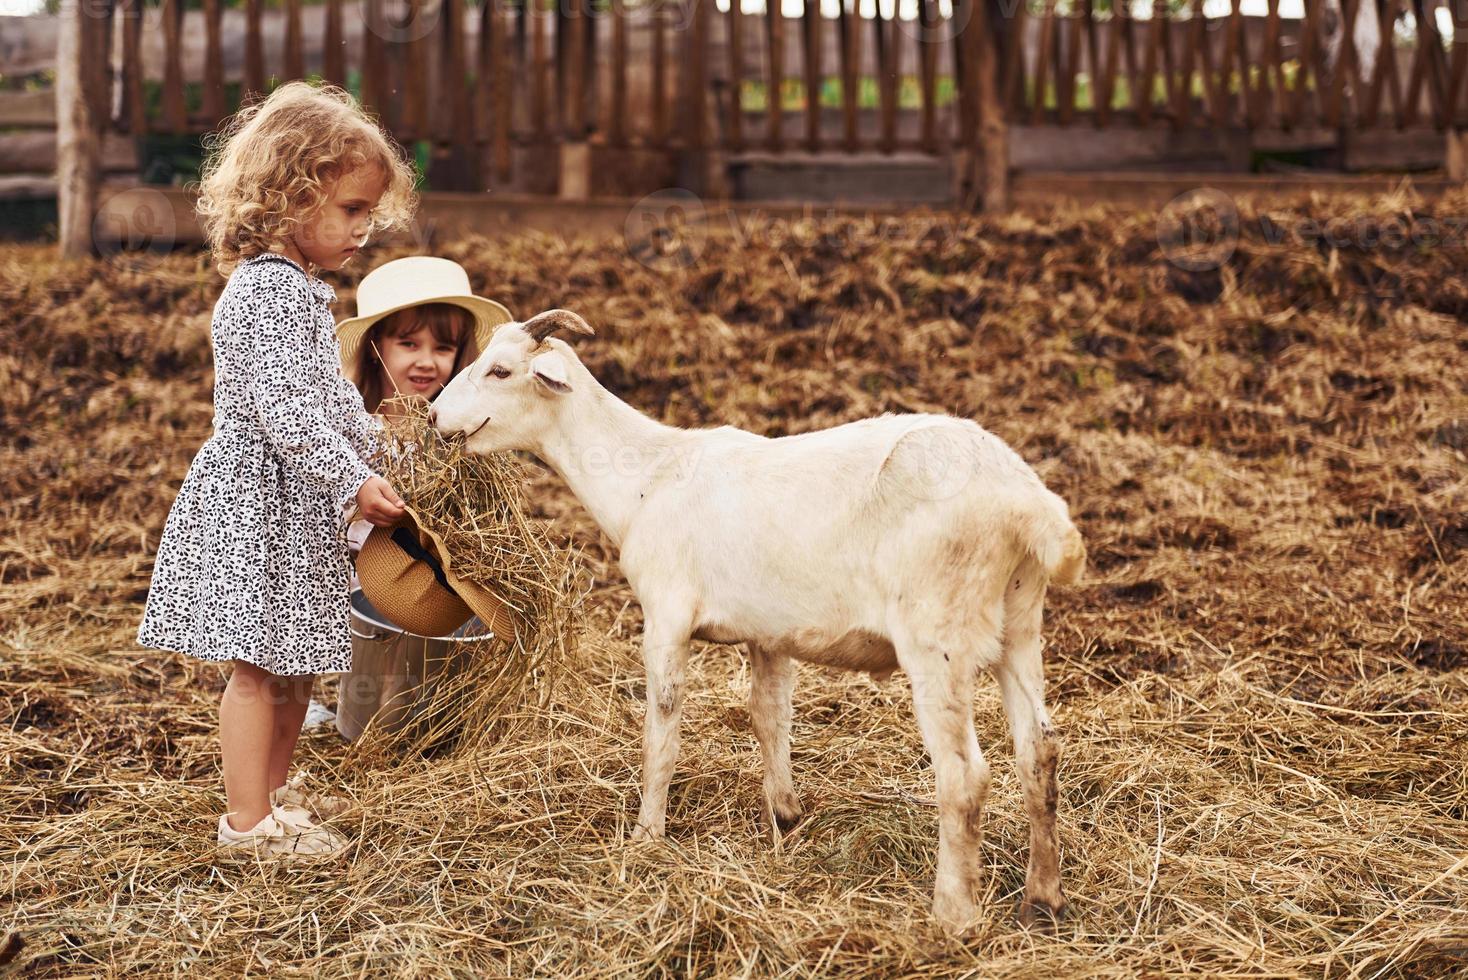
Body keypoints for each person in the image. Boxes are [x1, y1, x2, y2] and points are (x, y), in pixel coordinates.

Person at [135, 81, 418, 859]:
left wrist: (380, 443)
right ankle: (246, 823)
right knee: (259, 671)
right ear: (291, 198)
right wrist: (355, 481)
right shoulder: (265, 293)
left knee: (296, 665)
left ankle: (276, 797)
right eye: (352, 209)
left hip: (296, 502)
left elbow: (327, 400)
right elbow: (287, 416)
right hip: (258, 502)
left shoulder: (301, 294)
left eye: (368, 211)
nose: (365, 227)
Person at [334, 256, 513, 578]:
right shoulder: (342, 429)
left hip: (423, 592)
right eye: (409, 344)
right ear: (376, 347)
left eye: (443, 348)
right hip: (342, 585)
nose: (427, 362)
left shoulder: (460, 441)